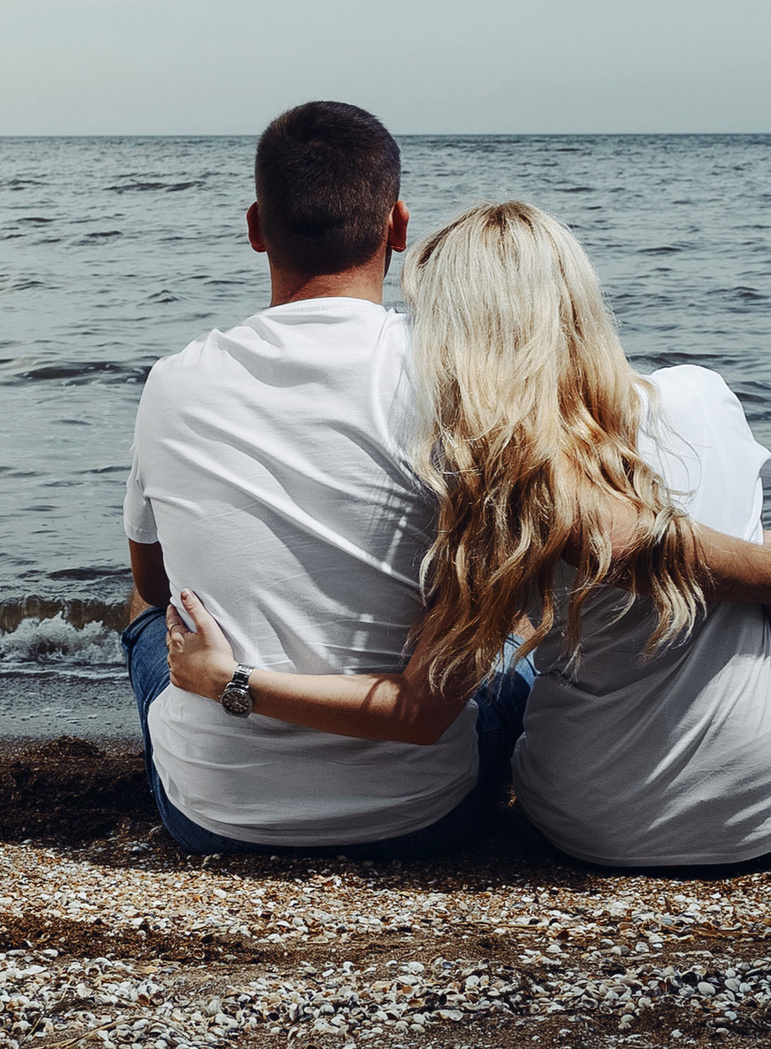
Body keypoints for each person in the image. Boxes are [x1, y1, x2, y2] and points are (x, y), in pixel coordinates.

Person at [164, 197, 771, 875]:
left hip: (591, 827)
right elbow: (764, 593)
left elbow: (422, 709)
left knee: (507, 645)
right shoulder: (702, 391)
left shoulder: (510, 488)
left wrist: (231, 679)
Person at [121, 100, 529, 855]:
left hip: (212, 818)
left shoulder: (173, 381)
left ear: (255, 228)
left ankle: (227, 756)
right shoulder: (453, 379)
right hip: (426, 813)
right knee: (513, 622)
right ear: (399, 228)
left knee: (149, 612)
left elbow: (152, 579)